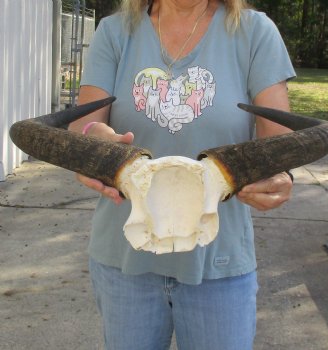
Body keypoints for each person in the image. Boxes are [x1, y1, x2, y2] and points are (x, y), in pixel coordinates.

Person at [69, 0, 295, 349]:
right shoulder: (114, 32)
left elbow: (278, 142)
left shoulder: (254, 32)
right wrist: (91, 143)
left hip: (218, 261)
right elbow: (84, 125)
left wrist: (278, 177)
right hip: (125, 259)